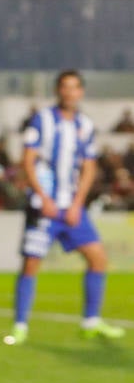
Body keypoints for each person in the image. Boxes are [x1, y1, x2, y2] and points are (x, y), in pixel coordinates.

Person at [6, 70, 125, 345]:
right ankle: (20, 326)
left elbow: (89, 166)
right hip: (43, 207)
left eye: (74, 88)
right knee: (31, 263)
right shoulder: (43, 120)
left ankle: (90, 322)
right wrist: (43, 197)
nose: (69, 93)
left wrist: (78, 203)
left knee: (98, 258)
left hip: (71, 207)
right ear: (58, 91)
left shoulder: (85, 124)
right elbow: (28, 159)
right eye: (64, 87)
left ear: (80, 92)